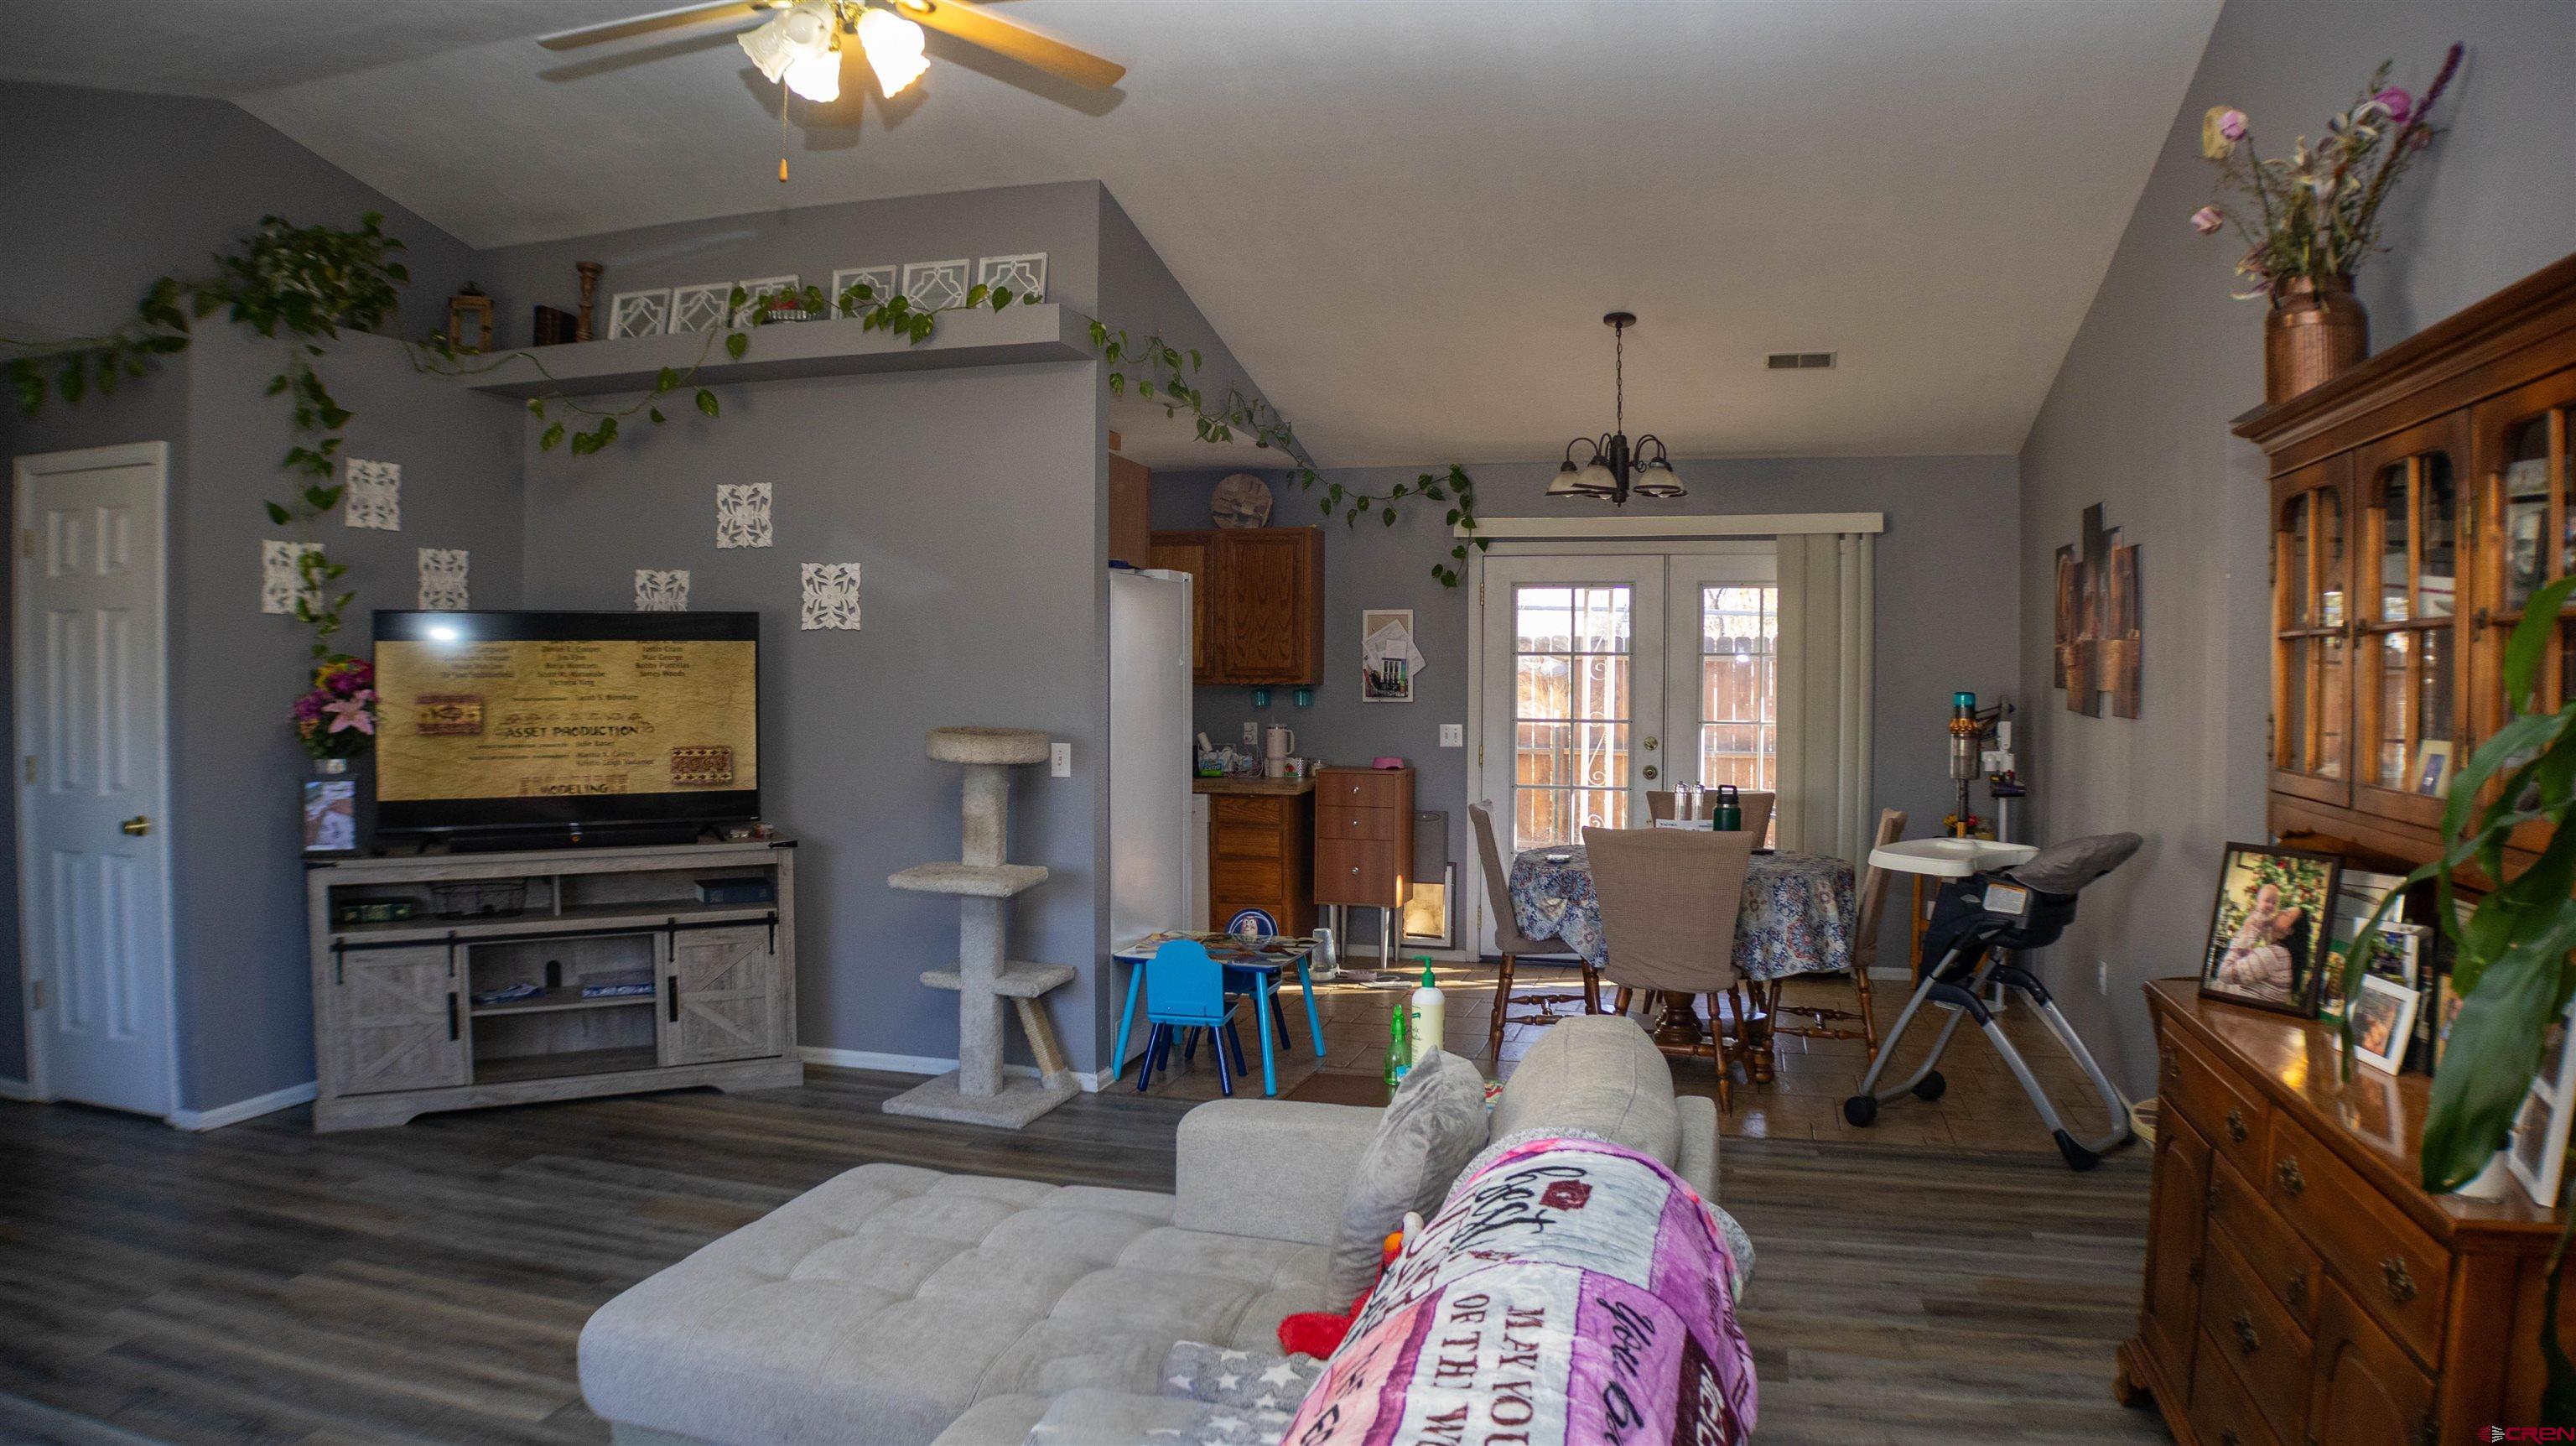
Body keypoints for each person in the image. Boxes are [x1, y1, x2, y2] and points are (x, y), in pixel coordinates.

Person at [2215, 882, 2306, 1001]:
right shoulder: (2256, 919)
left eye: (2287, 914)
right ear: (2258, 901)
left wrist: (2243, 942)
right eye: (2267, 901)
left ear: (2289, 931)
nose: (2281, 911)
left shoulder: (2273, 955)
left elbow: (2224, 974)